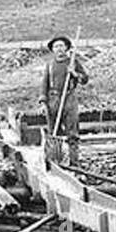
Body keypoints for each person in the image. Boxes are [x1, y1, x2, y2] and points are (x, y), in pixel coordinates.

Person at [40, 34, 89, 165]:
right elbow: (44, 84)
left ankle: (74, 162)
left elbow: (84, 79)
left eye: (61, 45)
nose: (59, 48)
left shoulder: (73, 62)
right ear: (53, 50)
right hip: (54, 100)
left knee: (72, 131)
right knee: (53, 132)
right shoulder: (50, 65)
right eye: (56, 46)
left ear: (66, 47)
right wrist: (43, 102)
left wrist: (74, 73)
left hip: (69, 98)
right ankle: (53, 161)